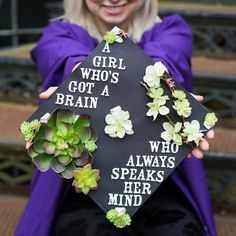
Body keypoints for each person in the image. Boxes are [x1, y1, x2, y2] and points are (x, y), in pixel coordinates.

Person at [15, 0, 216, 235]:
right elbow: (63, 54)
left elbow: (165, 57)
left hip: (160, 178)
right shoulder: (60, 33)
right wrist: (82, 74)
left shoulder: (171, 29)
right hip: (80, 186)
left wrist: (163, 82)